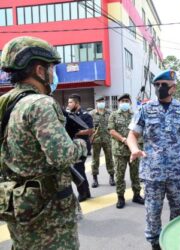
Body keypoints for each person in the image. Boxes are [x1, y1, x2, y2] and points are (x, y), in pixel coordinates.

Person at [0, 36, 87, 249]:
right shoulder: (40, 104)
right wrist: (81, 145)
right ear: (40, 71)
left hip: (18, 203)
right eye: (51, 69)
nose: (53, 74)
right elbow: (62, 156)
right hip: (47, 212)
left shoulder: (6, 103)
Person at [127, 69, 180, 250]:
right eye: (156, 85)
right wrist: (134, 149)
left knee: (179, 211)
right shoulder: (146, 109)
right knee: (153, 212)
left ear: (173, 88)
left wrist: (178, 152)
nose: (159, 88)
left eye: (163, 85)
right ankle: (155, 245)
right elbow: (132, 135)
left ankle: (176, 242)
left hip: (176, 172)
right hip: (153, 172)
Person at [108, 93, 144, 209]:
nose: (125, 103)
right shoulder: (113, 115)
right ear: (119, 103)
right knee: (119, 175)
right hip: (119, 151)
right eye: (122, 101)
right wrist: (124, 139)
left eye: (127, 101)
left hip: (133, 150)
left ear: (130, 103)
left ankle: (137, 195)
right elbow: (112, 131)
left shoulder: (135, 115)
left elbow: (139, 130)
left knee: (135, 175)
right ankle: (120, 197)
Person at [67, 94, 93, 202]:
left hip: (82, 145)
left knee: (77, 169)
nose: (68, 105)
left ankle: (82, 193)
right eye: (68, 103)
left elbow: (90, 130)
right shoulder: (69, 115)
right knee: (80, 169)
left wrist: (76, 132)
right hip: (72, 145)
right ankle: (86, 192)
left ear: (77, 103)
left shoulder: (85, 115)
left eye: (70, 102)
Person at [90, 96, 115, 188]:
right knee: (95, 160)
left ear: (104, 102)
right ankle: (95, 179)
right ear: (96, 102)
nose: (101, 102)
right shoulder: (91, 114)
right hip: (96, 140)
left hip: (107, 140)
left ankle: (112, 177)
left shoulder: (110, 113)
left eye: (102, 101)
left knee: (109, 159)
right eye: (99, 101)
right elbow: (88, 127)